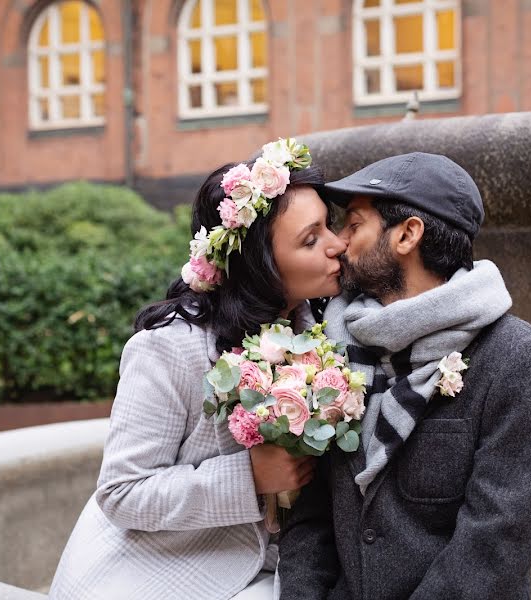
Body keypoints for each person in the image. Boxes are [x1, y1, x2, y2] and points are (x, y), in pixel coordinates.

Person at [48, 139, 347, 600]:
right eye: (311, 239)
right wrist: (247, 477)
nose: (338, 246)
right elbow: (122, 491)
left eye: (330, 226)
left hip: (295, 567)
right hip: (168, 571)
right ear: (261, 266)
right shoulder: (169, 348)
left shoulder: (327, 334)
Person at [277, 152, 531, 599]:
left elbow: (496, 543)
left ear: (408, 234)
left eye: (353, 225)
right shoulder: (330, 347)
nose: (338, 242)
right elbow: (312, 518)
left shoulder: (518, 358)